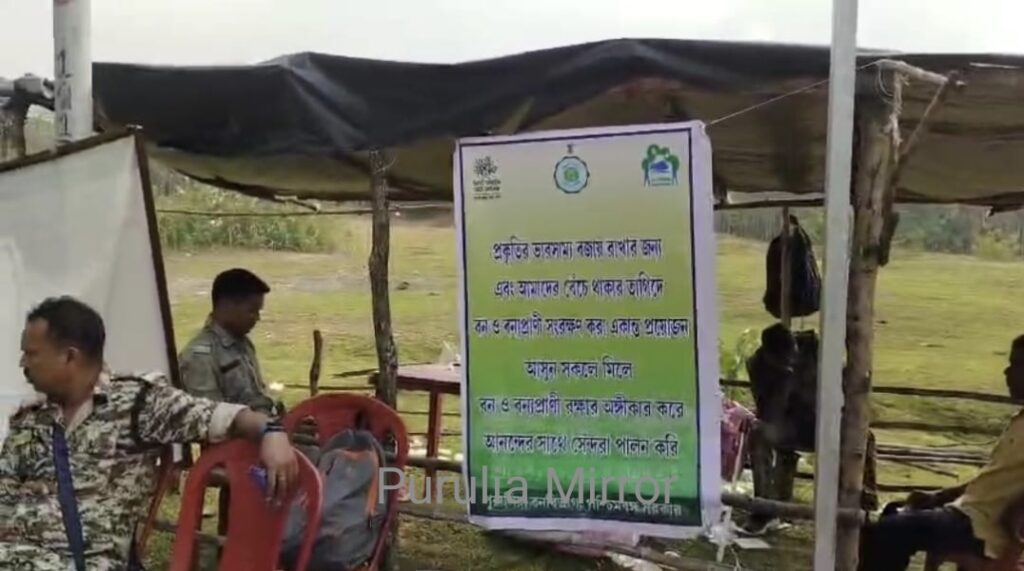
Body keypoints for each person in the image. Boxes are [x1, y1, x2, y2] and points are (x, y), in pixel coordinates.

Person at [0, 296, 299, 570]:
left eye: (31, 354)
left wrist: (271, 432)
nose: (22, 363)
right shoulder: (30, 421)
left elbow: (222, 416)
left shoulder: (137, 403)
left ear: (69, 357)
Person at [858, 334, 1024, 571]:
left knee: (890, 530)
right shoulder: (1019, 421)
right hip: (967, 514)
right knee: (892, 511)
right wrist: (938, 496)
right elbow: (989, 481)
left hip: (983, 528)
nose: (1007, 372)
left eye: (1017, 365)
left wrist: (1016, 536)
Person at [179, 268, 283, 416]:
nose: (257, 318)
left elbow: (256, 395)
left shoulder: (243, 342)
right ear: (227, 305)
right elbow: (211, 419)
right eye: (252, 311)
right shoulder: (200, 357)